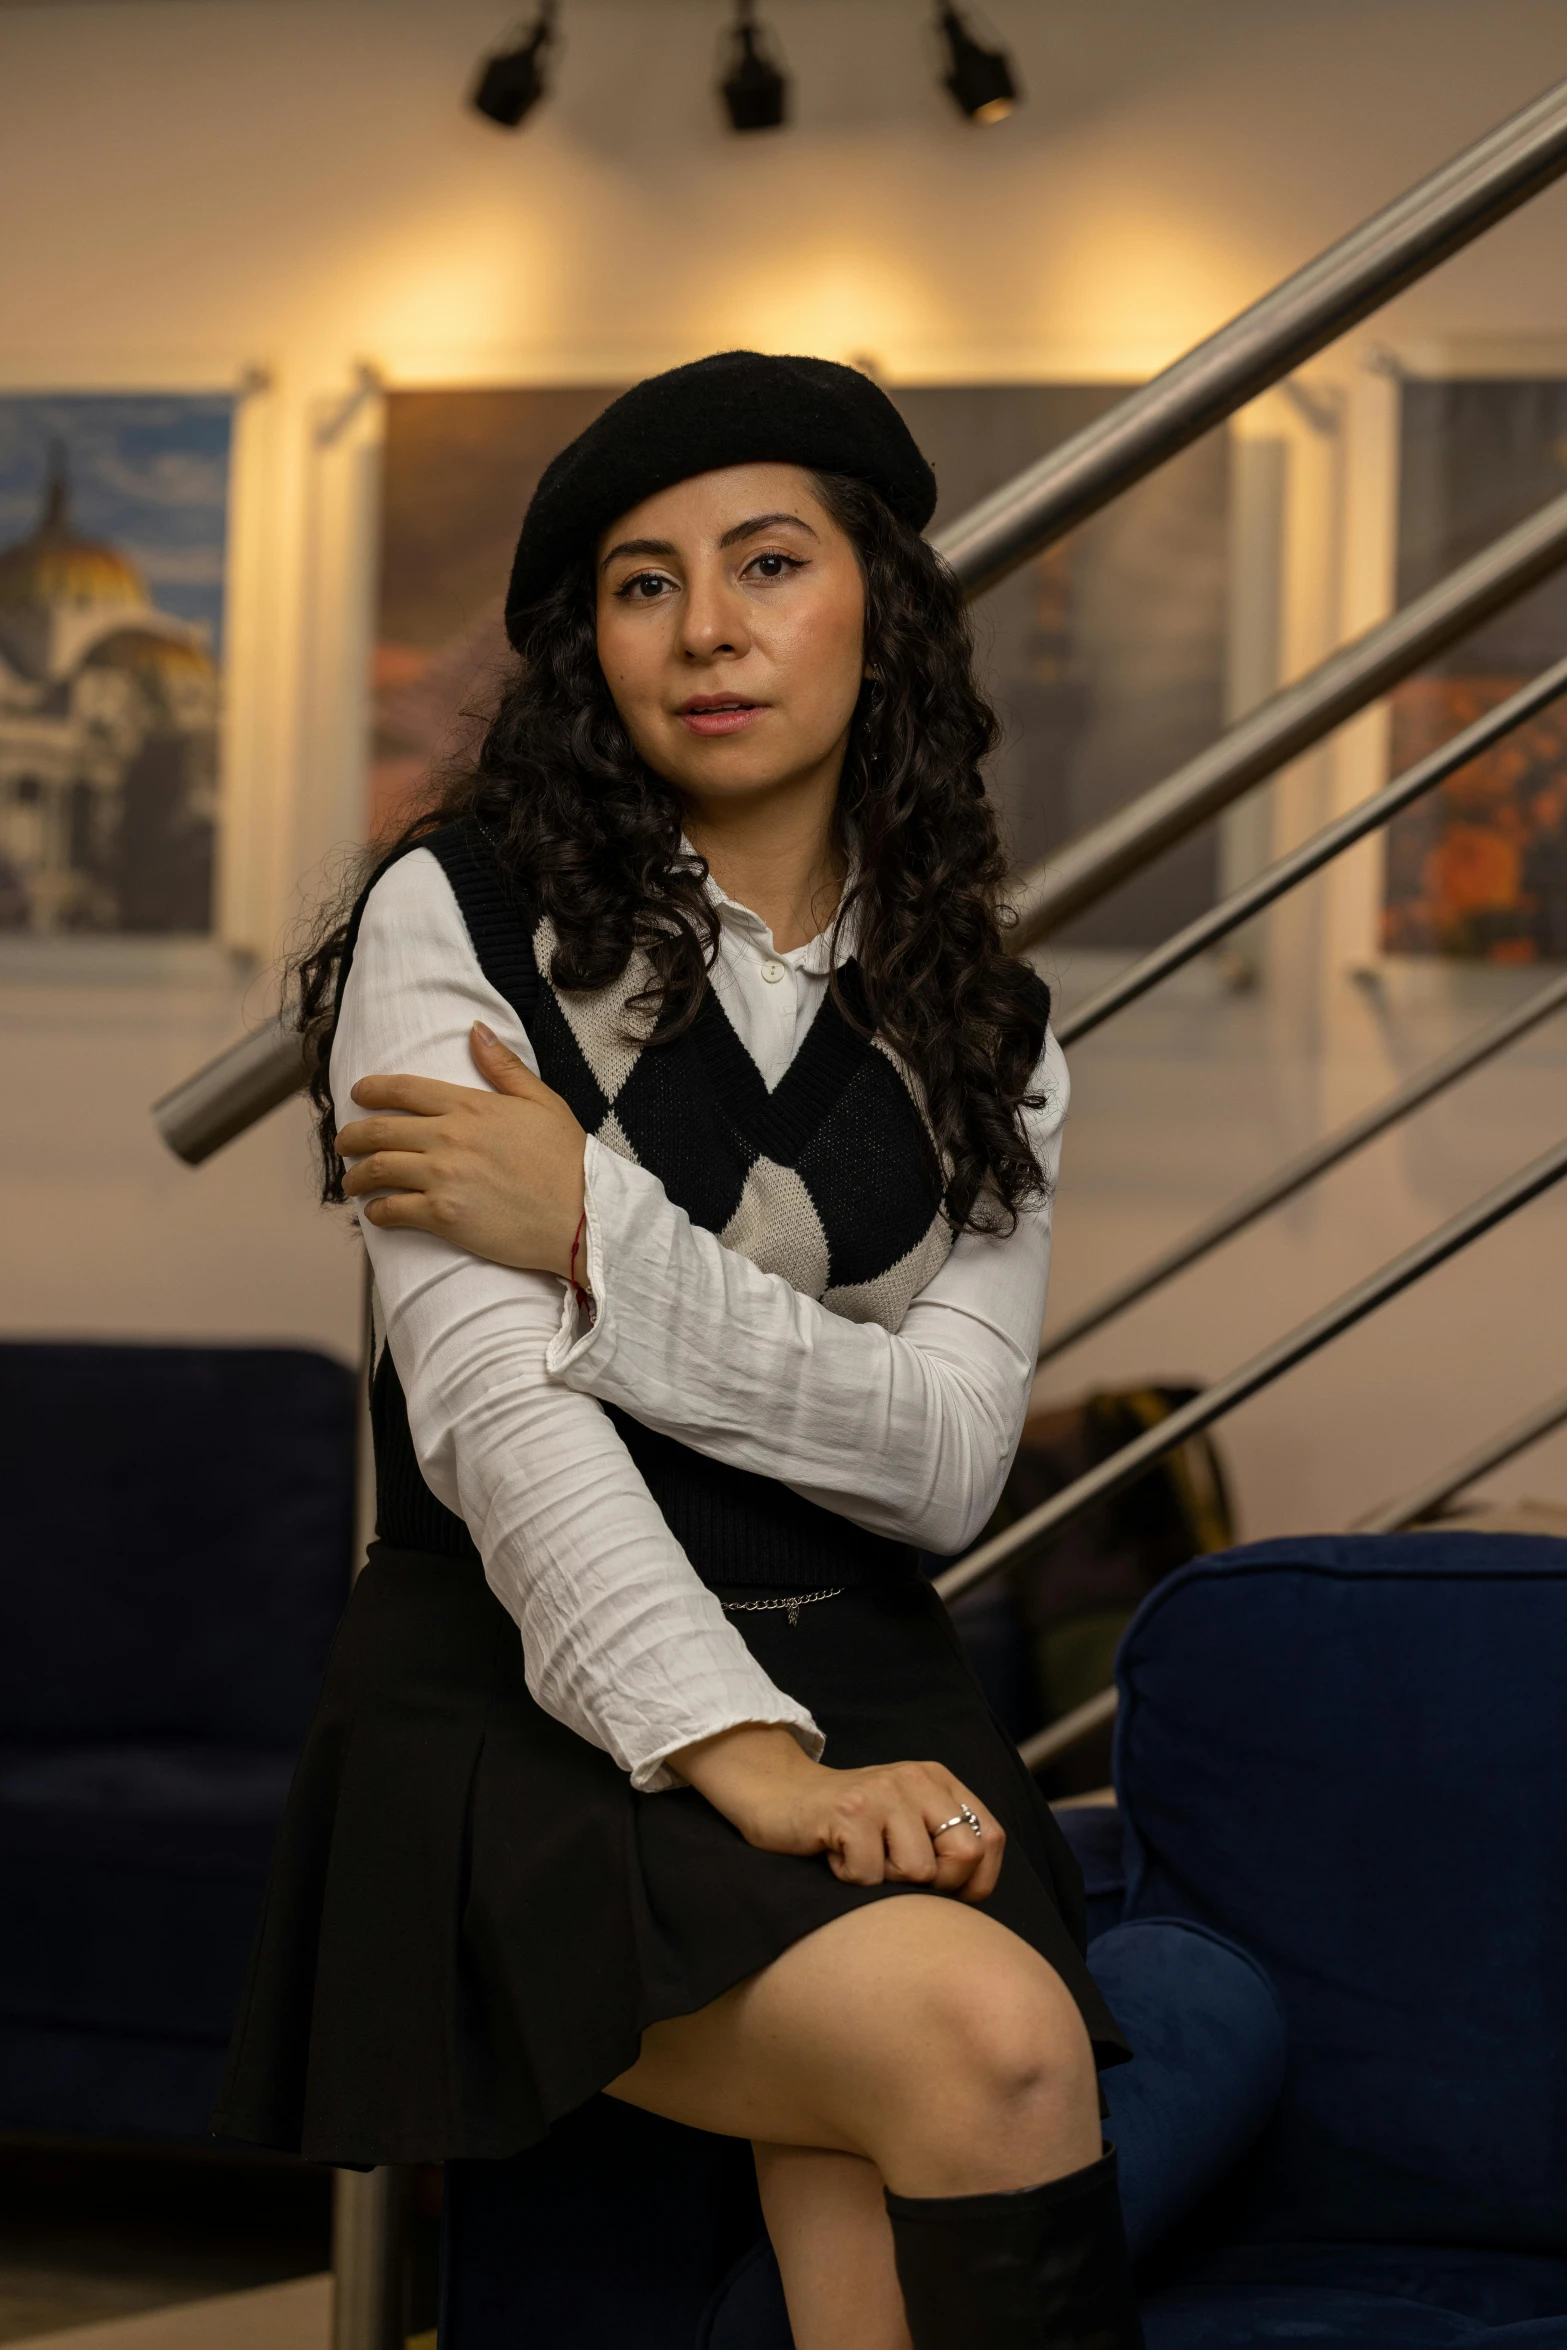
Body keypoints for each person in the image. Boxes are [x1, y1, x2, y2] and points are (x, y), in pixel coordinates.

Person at [217, 351, 1139, 2350]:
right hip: (526, 1693)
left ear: (878, 603)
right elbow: (490, 1409)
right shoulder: (457, 916)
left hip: (877, 1661)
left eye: (769, 561)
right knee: (986, 2050)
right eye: (644, 583)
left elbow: (947, 1460)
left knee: (867, 2215)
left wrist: (598, 1237)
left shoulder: (990, 1016)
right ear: (590, 649)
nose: (708, 627)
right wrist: (749, 1759)